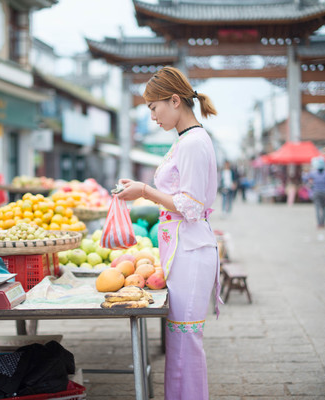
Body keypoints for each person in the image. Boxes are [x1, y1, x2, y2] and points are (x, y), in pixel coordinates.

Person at [117, 66, 222, 400]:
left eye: (153, 107)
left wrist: (144, 191)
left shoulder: (192, 143)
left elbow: (190, 205)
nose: (152, 116)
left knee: (186, 339)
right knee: (179, 338)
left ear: (175, 100)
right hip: (183, 250)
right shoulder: (187, 141)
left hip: (191, 251)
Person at [303, 157, 325, 228]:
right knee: (324, 209)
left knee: (317, 209)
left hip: (316, 192)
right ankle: (323, 223)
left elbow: (305, 179)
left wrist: (311, 185)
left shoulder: (313, 173)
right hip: (324, 192)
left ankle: (319, 224)